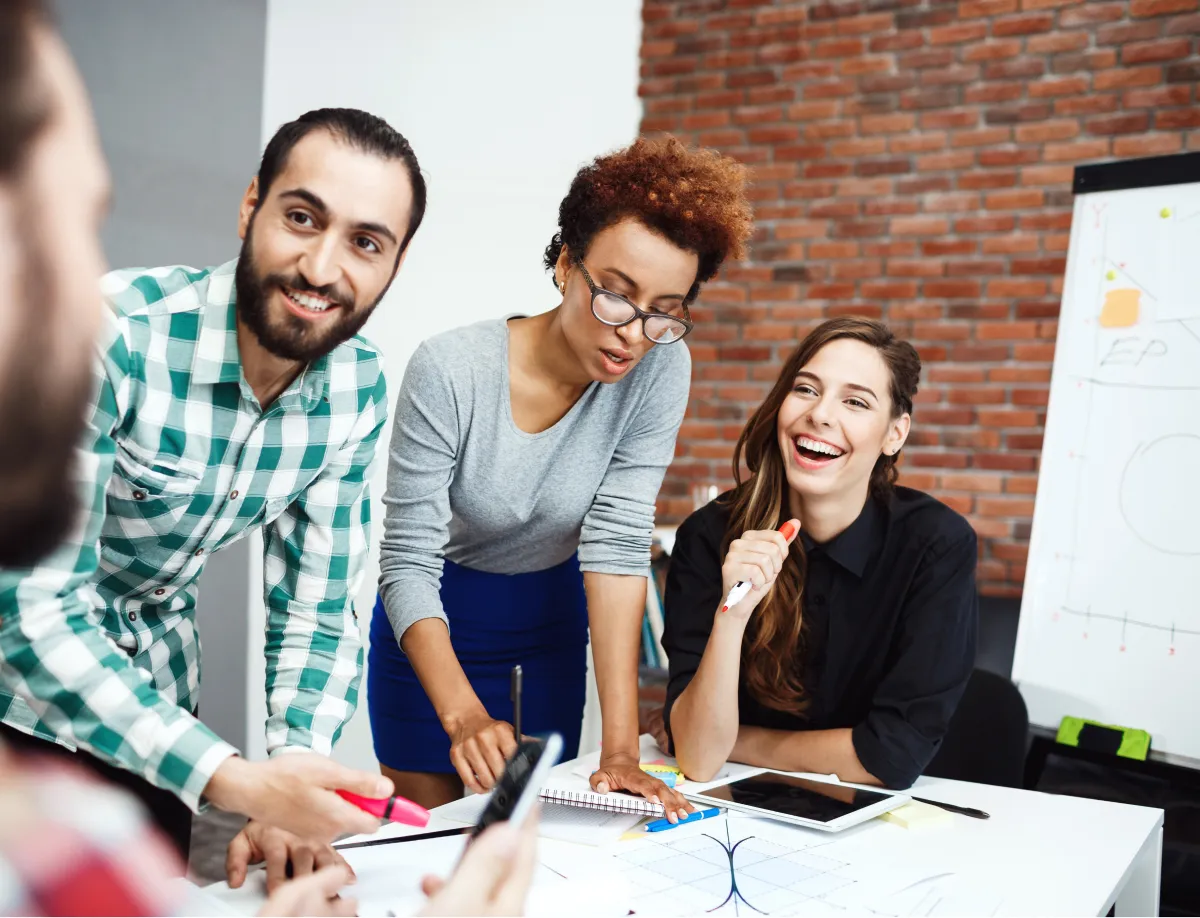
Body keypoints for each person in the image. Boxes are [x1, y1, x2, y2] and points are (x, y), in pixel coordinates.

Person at [0, 3, 539, 914]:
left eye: (366, 243)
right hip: (21, 702)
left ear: (395, 264)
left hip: (159, 709)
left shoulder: (356, 390)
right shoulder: (115, 335)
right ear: (252, 206)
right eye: (301, 216)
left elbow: (318, 608)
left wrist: (295, 776)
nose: (322, 267)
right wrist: (240, 781)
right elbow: (30, 612)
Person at [369, 136, 754, 814]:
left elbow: (616, 542)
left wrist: (621, 752)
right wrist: (461, 716)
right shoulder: (451, 371)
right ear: (566, 265)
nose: (634, 332)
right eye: (615, 295)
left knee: (536, 843)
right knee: (427, 847)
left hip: (550, 626)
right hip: (432, 631)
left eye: (664, 309)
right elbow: (406, 563)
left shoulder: (661, 370)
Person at [663, 317, 978, 789]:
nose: (821, 415)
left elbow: (892, 756)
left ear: (895, 433)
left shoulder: (936, 546)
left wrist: (741, 742)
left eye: (855, 401)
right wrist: (731, 616)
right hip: (728, 812)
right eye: (806, 389)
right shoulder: (709, 537)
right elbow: (699, 758)